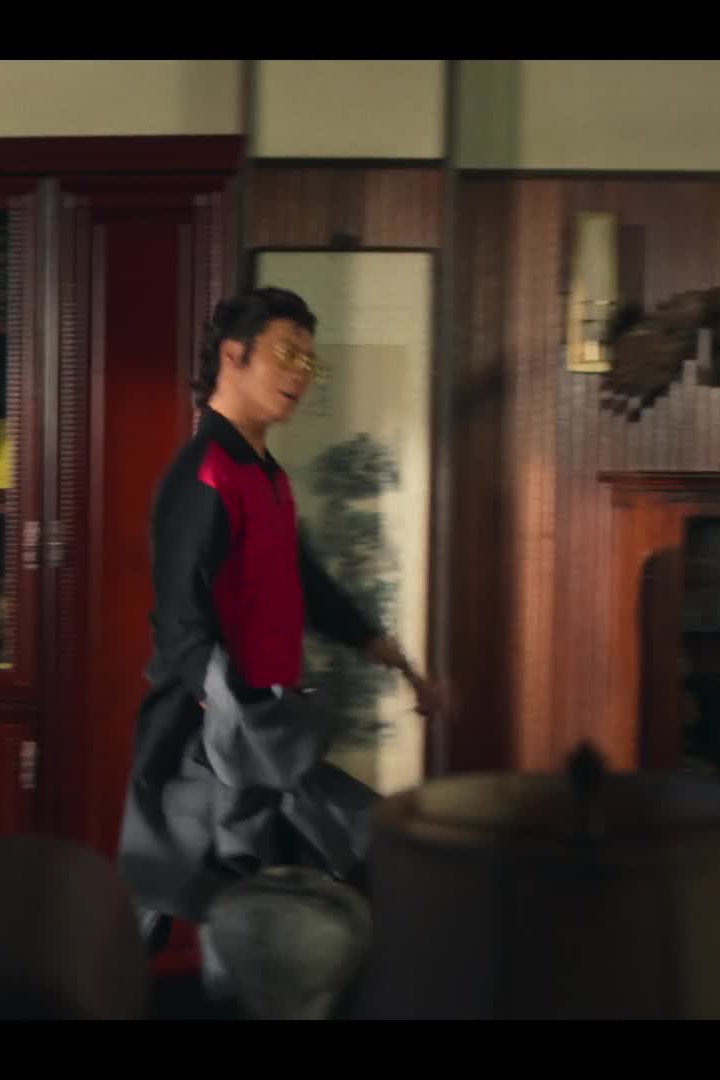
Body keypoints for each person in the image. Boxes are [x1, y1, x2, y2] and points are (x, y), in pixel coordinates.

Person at [115, 286, 443, 996]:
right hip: (214, 739)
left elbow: (303, 580)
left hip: (265, 728)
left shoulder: (265, 475)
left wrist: (378, 646)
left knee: (261, 910)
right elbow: (180, 620)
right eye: (286, 354)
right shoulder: (205, 473)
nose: (300, 374)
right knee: (217, 909)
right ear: (234, 356)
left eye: (309, 362)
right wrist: (226, 714)